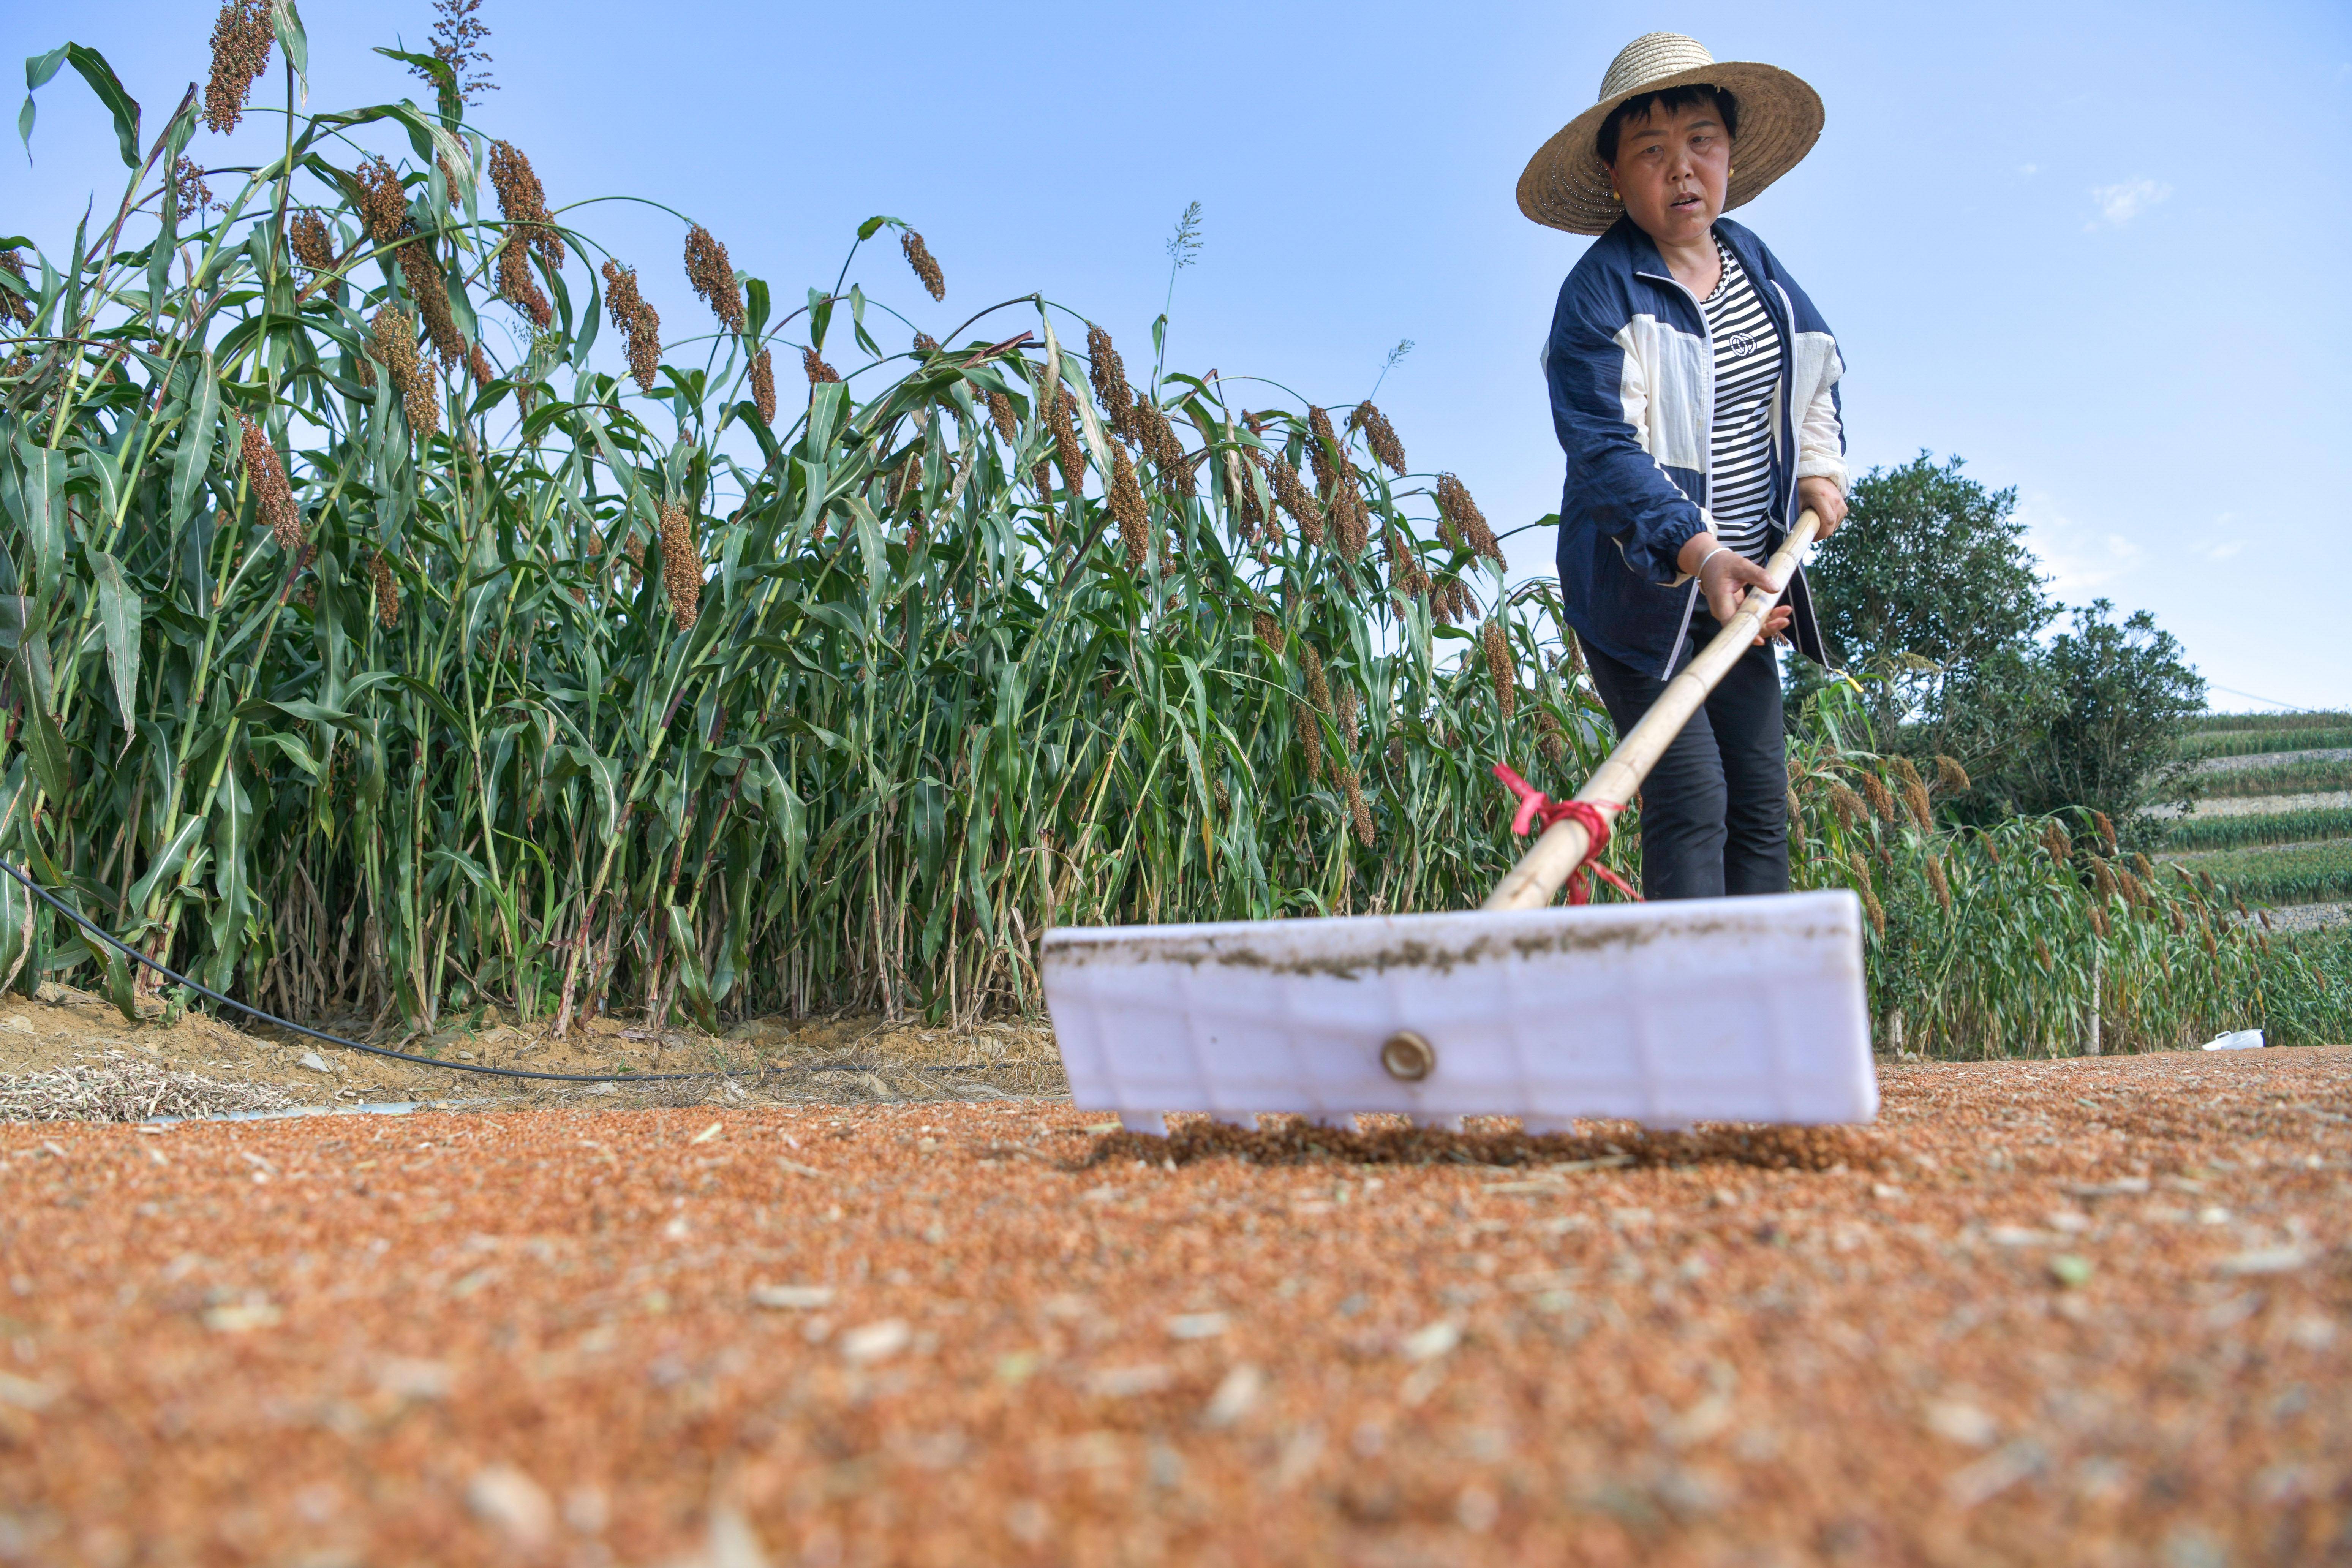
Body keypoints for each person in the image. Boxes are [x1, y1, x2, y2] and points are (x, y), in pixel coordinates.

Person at [1518, 31, 1850, 901]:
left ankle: (1756, 1011)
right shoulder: (1600, 295)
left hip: (1746, 591)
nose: (1682, 171)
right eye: (1652, 152)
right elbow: (1603, 452)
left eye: (1701, 141)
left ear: (1730, 154)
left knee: (1760, 803)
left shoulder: (1758, 269)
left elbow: (1815, 369)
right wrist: (1697, 554)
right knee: (1692, 795)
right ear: (1616, 178)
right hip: (1642, 598)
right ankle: (1685, 1021)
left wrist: (1821, 469)